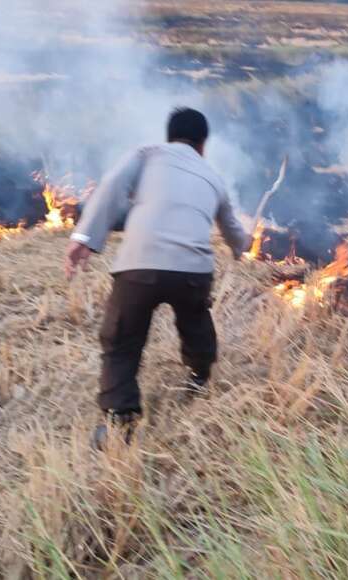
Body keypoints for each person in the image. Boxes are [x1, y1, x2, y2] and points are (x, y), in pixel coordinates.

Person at [65, 107, 250, 449]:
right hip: (193, 269)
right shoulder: (213, 177)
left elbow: (111, 186)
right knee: (195, 321)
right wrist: (242, 248)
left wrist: (84, 237)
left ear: (170, 136)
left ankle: (119, 420)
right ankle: (200, 374)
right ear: (203, 144)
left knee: (121, 340)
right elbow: (232, 228)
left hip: (140, 264)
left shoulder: (147, 154)